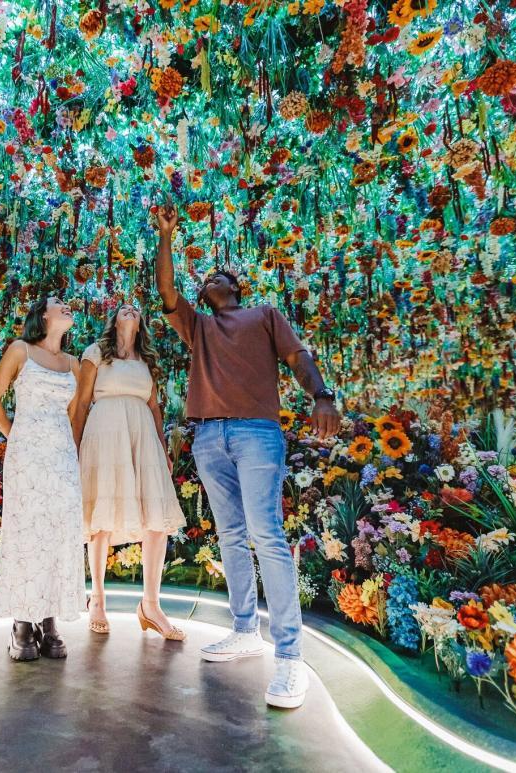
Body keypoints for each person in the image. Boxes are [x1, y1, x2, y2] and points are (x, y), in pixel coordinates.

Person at [152, 200, 342, 709]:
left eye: (221, 274)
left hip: (258, 432)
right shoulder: (198, 328)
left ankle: (289, 658)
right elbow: (166, 292)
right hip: (209, 436)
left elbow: (299, 358)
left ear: (235, 289)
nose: (212, 278)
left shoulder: (264, 316)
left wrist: (321, 394)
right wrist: (167, 235)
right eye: (206, 278)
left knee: (266, 535)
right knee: (231, 535)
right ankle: (243, 631)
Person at [70, 303, 187, 640]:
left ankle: (151, 604)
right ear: (114, 320)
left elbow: (154, 407)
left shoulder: (146, 360)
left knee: (157, 517)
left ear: (141, 323)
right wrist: (74, 448)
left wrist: (164, 449)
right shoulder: (96, 353)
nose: (130, 311)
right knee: (101, 517)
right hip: (104, 433)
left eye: (135, 309)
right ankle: (98, 599)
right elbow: (80, 403)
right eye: (123, 309)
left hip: (142, 437)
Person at [0, 296, 85, 662]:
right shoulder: (20, 350)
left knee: (58, 535)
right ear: (43, 314)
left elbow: (74, 416)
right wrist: (16, 434)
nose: (67, 306)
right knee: (27, 532)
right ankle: (21, 623)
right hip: (27, 454)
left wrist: (70, 455)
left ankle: (50, 619)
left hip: (61, 458)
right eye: (61, 302)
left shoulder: (74, 365)